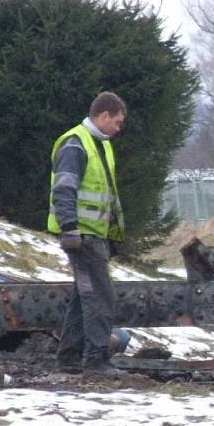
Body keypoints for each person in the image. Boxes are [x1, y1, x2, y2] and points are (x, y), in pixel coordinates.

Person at [47, 92, 127, 378]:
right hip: (82, 235)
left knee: (83, 298)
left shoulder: (97, 145)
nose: (118, 129)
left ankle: (69, 358)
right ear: (104, 115)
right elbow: (64, 190)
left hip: (92, 235)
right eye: (116, 122)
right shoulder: (75, 144)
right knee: (100, 298)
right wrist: (70, 228)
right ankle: (96, 362)